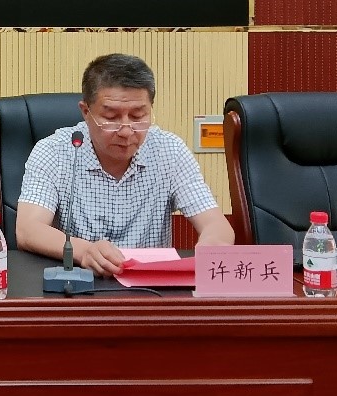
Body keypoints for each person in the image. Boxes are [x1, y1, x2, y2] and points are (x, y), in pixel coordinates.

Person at [15, 53, 234, 276]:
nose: (126, 131)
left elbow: (216, 225)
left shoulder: (169, 150)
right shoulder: (54, 151)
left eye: (138, 116)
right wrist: (85, 251)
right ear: (86, 112)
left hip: (150, 288)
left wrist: (212, 244)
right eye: (111, 117)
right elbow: (28, 229)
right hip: (77, 282)